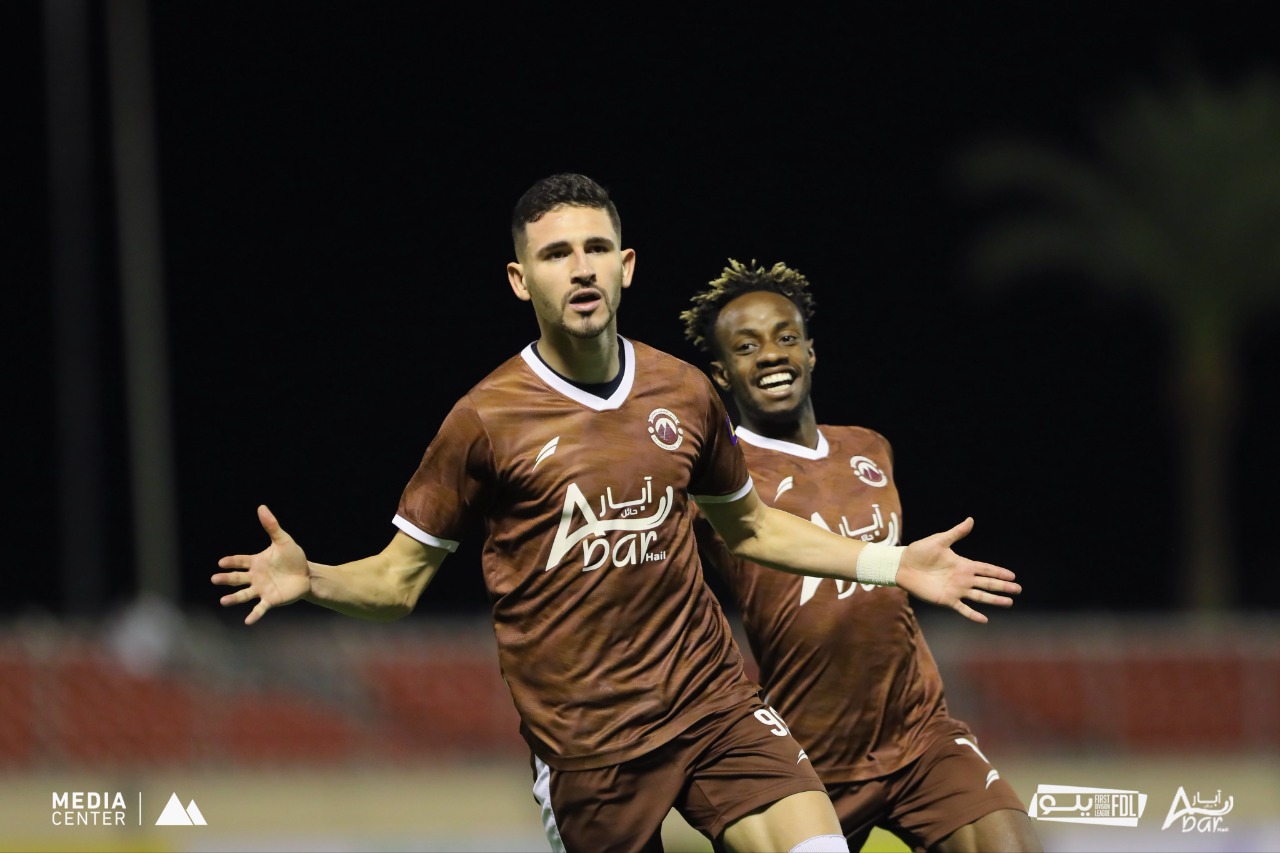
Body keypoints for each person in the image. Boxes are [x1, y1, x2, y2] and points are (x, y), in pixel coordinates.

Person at [212, 174, 1021, 853]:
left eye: (596, 248)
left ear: (627, 265)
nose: (581, 268)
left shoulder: (684, 391)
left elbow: (752, 528)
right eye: (556, 254)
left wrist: (894, 562)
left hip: (713, 707)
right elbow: (396, 581)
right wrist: (310, 576)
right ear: (520, 280)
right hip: (589, 746)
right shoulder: (485, 420)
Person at [680, 259, 1043, 853]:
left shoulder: (869, 448)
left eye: (786, 337)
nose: (771, 354)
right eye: (747, 347)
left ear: (811, 353)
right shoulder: (715, 480)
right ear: (721, 373)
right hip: (805, 757)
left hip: (920, 736)